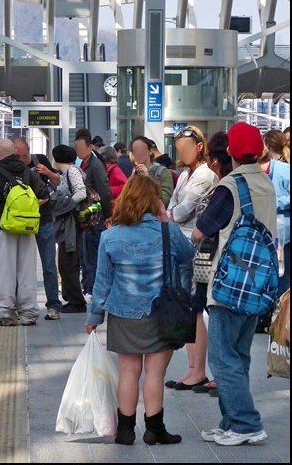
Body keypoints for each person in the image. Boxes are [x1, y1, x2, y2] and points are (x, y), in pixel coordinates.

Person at [85, 175, 194, 446]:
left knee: (129, 372)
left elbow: (103, 282)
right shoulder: (168, 232)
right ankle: (155, 429)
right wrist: (166, 220)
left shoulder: (110, 236)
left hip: (123, 313)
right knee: (155, 373)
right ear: (154, 202)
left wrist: (94, 317)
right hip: (161, 313)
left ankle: (125, 430)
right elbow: (188, 256)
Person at [193, 123, 277, 446]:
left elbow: (200, 230)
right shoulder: (266, 182)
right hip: (257, 282)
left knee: (221, 357)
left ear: (230, 151)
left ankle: (246, 423)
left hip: (230, 283)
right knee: (238, 355)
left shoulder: (231, 185)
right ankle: (230, 422)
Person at [167, 132, 232, 396]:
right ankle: (194, 369)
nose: (181, 152)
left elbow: (183, 211)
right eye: (178, 148)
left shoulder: (208, 177)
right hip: (187, 246)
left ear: (201, 148)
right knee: (190, 309)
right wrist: (176, 213)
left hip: (202, 250)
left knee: (198, 309)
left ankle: (202, 371)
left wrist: (176, 214)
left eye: (186, 147)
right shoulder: (185, 175)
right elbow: (174, 208)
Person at [0, 139, 49, 327]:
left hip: (3, 229)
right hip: (26, 230)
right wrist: (28, 211)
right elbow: (44, 197)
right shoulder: (28, 173)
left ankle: (7, 314)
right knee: (27, 271)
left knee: (4, 271)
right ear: (15, 152)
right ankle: (28, 314)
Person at [13, 138, 62, 320]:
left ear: (28, 150)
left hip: (44, 220)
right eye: (18, 157)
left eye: (23, 156)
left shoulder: (40, 159)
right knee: (21, 267)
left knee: (49, 265)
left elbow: (58, 181)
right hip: (22, 223)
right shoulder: (13, 167)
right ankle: (21, 306)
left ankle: (54, 306)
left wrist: (48, 172)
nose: (21, 160)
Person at [50, 145, 89, 313]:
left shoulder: (72, 171)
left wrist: (66, 205)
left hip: (72, 223)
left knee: (68, 263)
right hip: (67, 223)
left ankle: (77, 302)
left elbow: (81, 192)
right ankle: (71, 298)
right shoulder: (65, 173)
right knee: (65, 262)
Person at [74, 129, 113, 297]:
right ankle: (88, 287)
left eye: (81, 148)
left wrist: (107, 215)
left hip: (95, 217)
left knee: (93, 254)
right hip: (88, 217)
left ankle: (93, 289)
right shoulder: (83, 164)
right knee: (86, 255)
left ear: (90, 147)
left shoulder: (95, 166)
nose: (78, 151)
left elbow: (105, 191)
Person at [259, 132, 290, 294]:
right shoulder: (262, 172)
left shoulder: (284, 169)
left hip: (286, 236)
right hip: (271, 235)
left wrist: (273, 201)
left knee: (283, 281)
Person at [129, 136, 174, 207]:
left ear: (150, 151)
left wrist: (147, 179)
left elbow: (165, 201)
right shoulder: (134, 173)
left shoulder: (163, 172)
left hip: (154, 213)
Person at [99, 145, 128, 211]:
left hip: (115, 207)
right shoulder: (112, 170)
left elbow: (124, 188)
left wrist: (107, 190)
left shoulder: (114, 170)